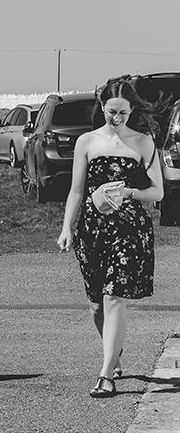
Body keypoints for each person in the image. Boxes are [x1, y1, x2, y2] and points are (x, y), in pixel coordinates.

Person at [57, 76, 163, 398]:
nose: (115, 119)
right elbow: (76, 190)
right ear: (102, 107)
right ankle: (113, 353)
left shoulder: (143, 143)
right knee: (95, 304)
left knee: (114, 295)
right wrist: (66, 228)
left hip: (130, 229)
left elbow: (157, 193)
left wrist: (130, 192)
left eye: (122, 113)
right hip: (93, 229)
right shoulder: (86, 142)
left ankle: (106, 375)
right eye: (110, 112)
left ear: (132, 111)